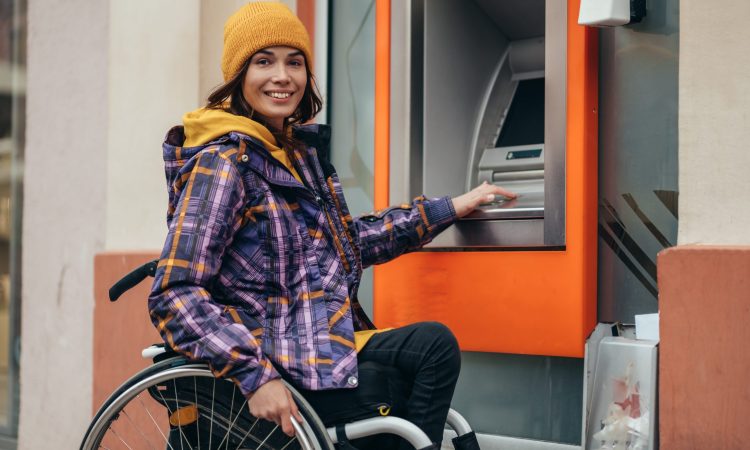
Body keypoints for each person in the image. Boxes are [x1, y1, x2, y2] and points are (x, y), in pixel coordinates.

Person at [148, 3, 515, 449]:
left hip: (312, 347)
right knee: (429, 353)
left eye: (294, 62)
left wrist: (447, 209)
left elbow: (346, 243)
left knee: (427, 352)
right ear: (238, 75)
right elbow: (173, 292)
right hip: (271, 363)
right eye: (264, 61)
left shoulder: (294, 155)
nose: (283, 76)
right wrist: (253, 375)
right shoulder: (224, 164)